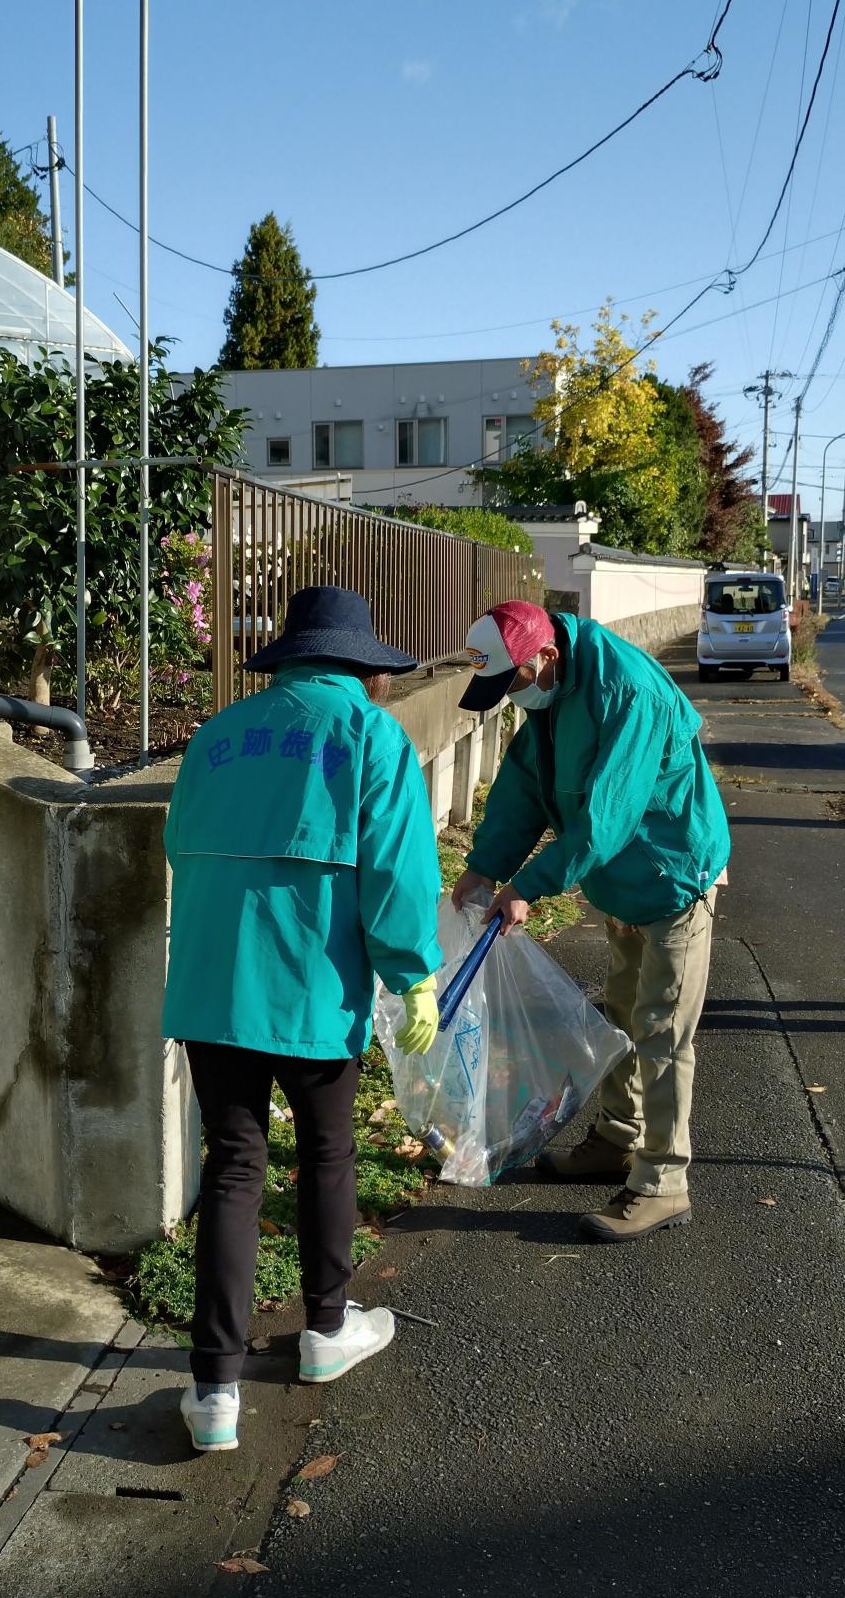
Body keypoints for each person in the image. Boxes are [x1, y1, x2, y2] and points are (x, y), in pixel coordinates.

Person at [162, 587, 442, 1452]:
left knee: (234, 1170)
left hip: (214, 987)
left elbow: (177, 843)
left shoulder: (216, 736)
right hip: (314, 988)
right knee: (326, 1152)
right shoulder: (371, 736)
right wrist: (413, 975)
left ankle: (214, 1392)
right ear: (362, 666)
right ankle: (325, 1332)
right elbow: (396, 873)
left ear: (287, 660)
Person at [451, 600, 730, 1243]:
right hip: (617, 878)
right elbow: (525, 784)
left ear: (544, 657)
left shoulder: (624, 690)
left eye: (513, 681)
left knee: (661, 1029)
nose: (511, 696)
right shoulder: (552, 688)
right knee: (624, 1013)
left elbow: (608, 816)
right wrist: (486, 866)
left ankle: (663, 1180)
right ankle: (616, 1140)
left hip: (671, 871)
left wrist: (532, 885)